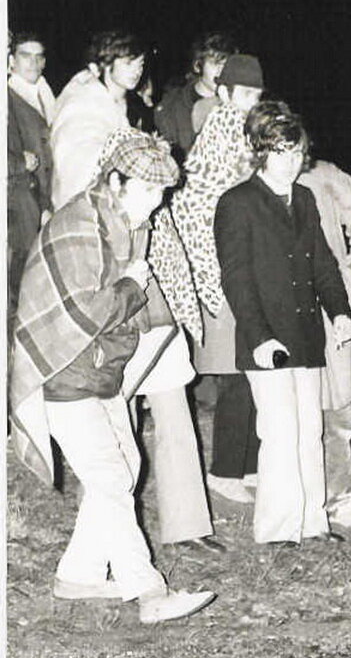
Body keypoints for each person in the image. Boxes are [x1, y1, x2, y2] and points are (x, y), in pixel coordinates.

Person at [8, 129, 215, 623]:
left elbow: (129, 301)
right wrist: (130, 287)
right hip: (62, 369)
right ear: (116, 180)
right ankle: (150, 593)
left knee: (125, 467)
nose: (155, 203)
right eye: (147, 190)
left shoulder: (127, 221)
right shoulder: (79, 225)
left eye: (161, 192)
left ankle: (77, 574)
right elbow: (84, 312)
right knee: (109, 476)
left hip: (100, 369)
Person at [215, 101, 351, 546]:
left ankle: (313, 523)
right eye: (280, 152)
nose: (291, 161)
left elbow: (323, 266)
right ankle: (278, 530)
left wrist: (340, 313)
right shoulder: (237, 203)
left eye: (296, 152)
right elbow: (236, 279)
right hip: (266, 341)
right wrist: (259, 337)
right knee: (279, 434)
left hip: (307, 337)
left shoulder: (306, 199)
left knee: (310, 431)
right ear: (261, 152)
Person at [160, 54, 266, 505]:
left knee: (254, 370)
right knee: (238, 375)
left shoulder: (244, 130)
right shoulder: (224, 129)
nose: (252, 101)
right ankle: (225, 470)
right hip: (219, 271)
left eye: (257, 93)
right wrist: (214, 279)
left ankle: (251, 466)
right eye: (245, 93)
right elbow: (205, 211)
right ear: (224, 92)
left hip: (238, 267)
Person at [298, 157, 351, 530]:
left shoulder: (323, 175)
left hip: (330, 302)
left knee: (336, 404)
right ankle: (296, 498)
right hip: (281, 306)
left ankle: (342, 497)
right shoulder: (250, 177)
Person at [50, 31, 148, 210]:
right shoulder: (83, 102)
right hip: (81, 206)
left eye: (140, 63)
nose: (137, 71)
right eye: (128, 63)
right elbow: (78, 164)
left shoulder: (122, 101)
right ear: (105, 64)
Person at [7, 32, 53, 325]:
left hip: (41, 203)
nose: (34, 63)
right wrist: (18, 162)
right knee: (18, 286)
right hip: (20, 208)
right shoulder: (9, 98)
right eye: (26, 56)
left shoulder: (44, 94)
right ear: (12, 60)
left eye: (39, 56)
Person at [154, 31, 236, 163]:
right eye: (215, 64)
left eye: (226, 65)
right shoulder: (172, 105)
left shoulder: (239, 103)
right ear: (198, 66)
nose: (221, 72)